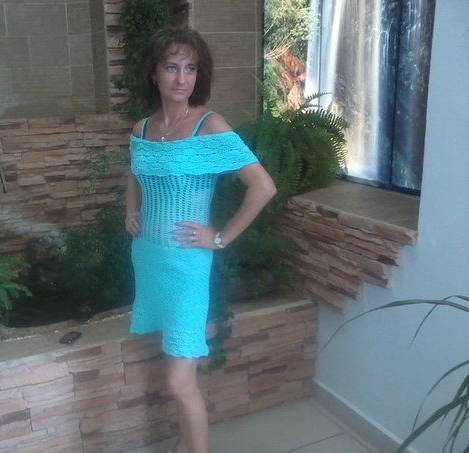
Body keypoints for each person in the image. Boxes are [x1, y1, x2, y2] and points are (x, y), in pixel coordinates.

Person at [124, 26, 276, 453]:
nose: (181, 78)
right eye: (171, 67)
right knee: (178, 369)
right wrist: (130, 211)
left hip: (187, 265)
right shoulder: (143, 128)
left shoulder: (209, 127)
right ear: (154, 73)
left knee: (178, 380)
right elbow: (133, 173)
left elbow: (263, 187)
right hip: (148, 258)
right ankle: (183, 446)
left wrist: (220, 237)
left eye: (190, 69)